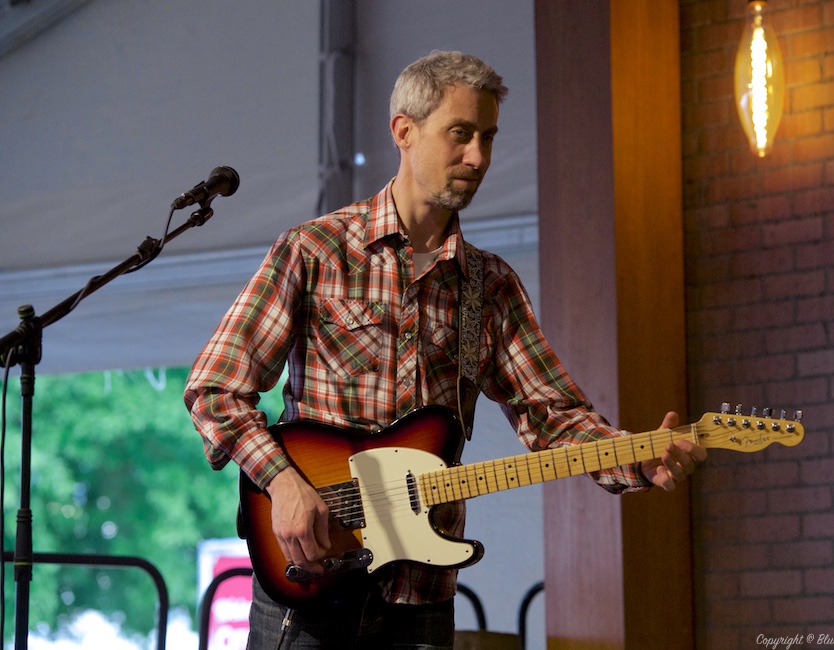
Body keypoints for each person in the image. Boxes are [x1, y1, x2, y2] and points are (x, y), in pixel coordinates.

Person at [184, 50, 706, 649]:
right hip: (308, 588)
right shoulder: (316, 251)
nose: (478, 157)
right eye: (460, 134)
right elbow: (215, 388)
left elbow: (553, 416)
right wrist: (284, 484)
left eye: (487, 138)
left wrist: (636, 457)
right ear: (403, 130)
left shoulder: (491, 284)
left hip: (420, 599)